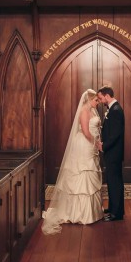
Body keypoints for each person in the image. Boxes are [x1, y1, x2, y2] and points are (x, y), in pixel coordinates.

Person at [41, 89, 104, 235]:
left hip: (92, 146)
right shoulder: (83, 111)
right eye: (96, 100)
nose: (98, 102)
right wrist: (97, 144)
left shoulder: (93, 111)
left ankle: (92, 212)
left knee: (90, 175)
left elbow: (95, 129)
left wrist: (97, 142)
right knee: (81, 173)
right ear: (89, 100)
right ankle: (78, 213)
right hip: (84, 144)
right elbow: (86, 132)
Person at [97, 85, 125, 221]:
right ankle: (114, 208)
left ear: (107, 96)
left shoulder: (116, 110)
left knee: (115, 183)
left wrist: (103, 146)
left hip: (114, 153)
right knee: (113, 182)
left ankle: (116, 214)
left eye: (101, 98)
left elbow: (115, 135)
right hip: (112, 152)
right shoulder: (112, 109)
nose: (101, 101)